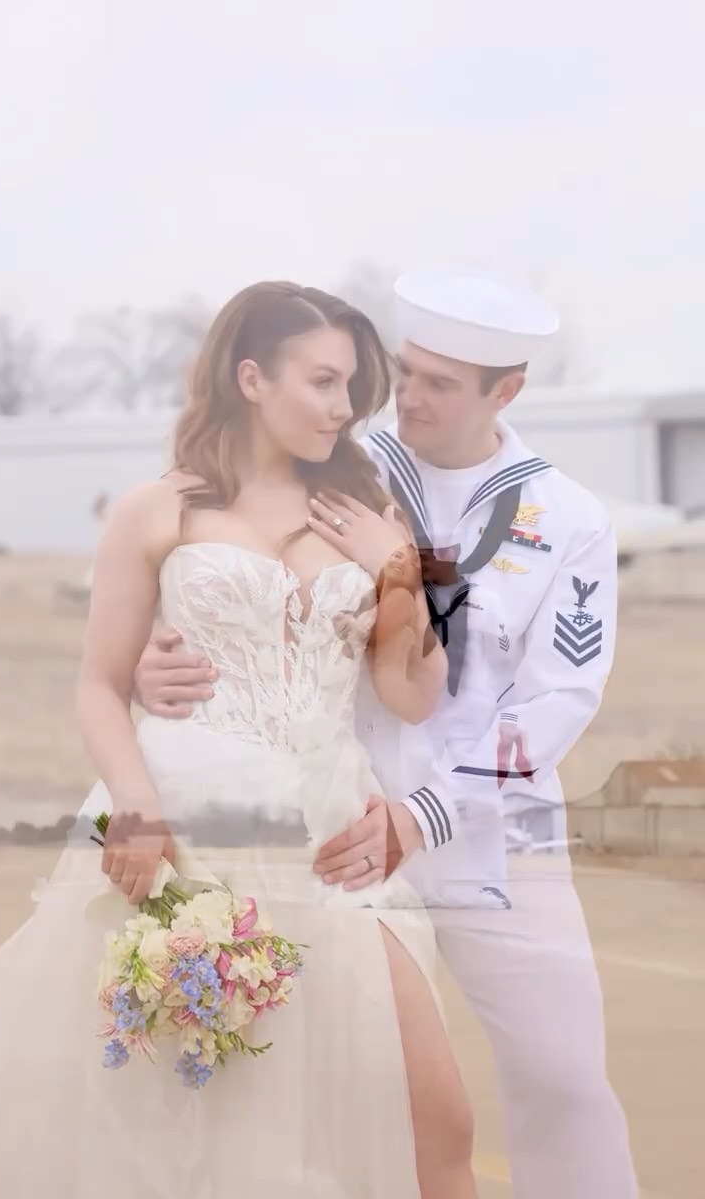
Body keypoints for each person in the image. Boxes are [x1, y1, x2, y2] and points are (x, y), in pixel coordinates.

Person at [139, 269, 640, 1199]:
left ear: (506, 391)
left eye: (440, 383)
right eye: (406, 371)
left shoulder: (570, 520)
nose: (407, 396)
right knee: (341, 1092)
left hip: (495, 844)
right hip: (336, 829)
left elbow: (556, 702)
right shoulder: (332, 466)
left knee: (563, 1081)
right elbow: (211, 577)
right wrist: (148, 661)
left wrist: (425, 815)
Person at [0, 282, 479, 1199]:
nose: (343, 407)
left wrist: (401, 574)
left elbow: (414, 694)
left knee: (437, 1124)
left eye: (351, 387)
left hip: (335, 837)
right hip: (188, 833)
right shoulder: (155, 510)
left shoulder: (372, 514)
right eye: (322, 381)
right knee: (189, 1135)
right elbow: (98, 684)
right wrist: (134, 810)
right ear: (252, 378)